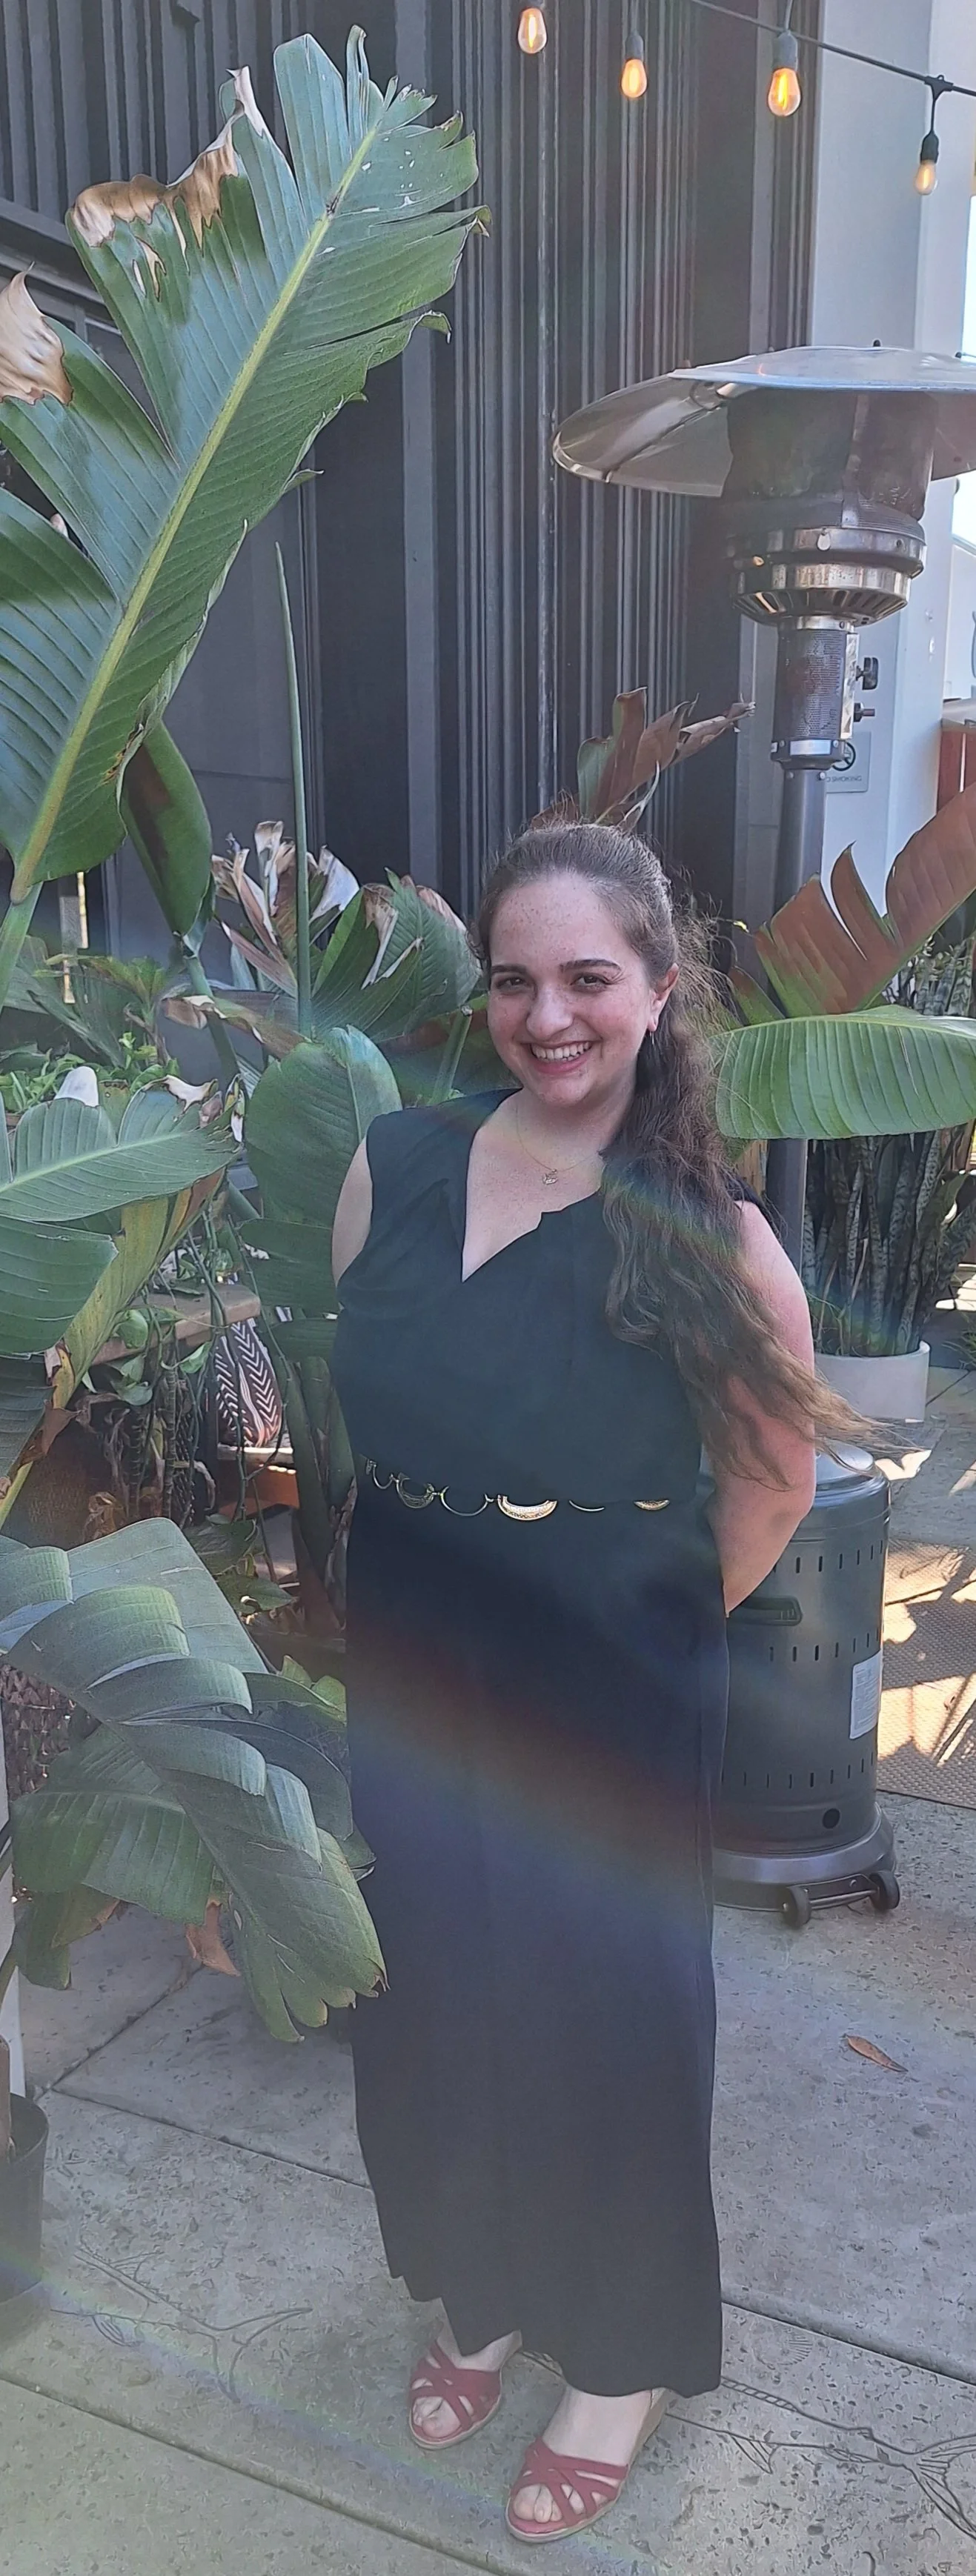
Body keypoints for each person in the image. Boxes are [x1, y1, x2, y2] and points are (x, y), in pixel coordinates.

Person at [330, 819, 837, 2546]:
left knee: (603, 2020)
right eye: (514, 979)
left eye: (585, 979)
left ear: (656, 989)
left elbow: (767, 1485)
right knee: (430, 1989)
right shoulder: (388, 1165)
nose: (546, 1015)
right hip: (407, 1644)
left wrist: (614, 1622)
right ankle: (473, 2289)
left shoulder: (709, 1233)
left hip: (606, 1675)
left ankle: (611, 2358)